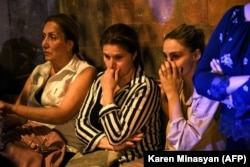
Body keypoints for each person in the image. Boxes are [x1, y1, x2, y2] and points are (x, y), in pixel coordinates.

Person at [0, 13, 97, 166]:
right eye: (43, 36)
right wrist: (4, 116)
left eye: (52, 37)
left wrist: (11, 107)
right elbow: (19, 115)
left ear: (69, 44)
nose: (44, 43)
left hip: (61, 144)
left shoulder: (85, 72)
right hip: (29, 136)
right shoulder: (40, 70)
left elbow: (61, 114)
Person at [75, 23, 162, 165]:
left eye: (118, 57)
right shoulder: (101, 79)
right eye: (106, 56)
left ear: (134, 55)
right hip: (101, 156)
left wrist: (108, 93)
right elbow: (80, 125)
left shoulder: (144, 87)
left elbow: (117, 136)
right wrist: (111, 145)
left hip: (134, 160)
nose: (111, 65)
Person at [159, 24, 225, 150]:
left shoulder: (210, 86)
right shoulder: (179, 82)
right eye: (165, 57)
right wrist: (166, 97)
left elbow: (183, 143)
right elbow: (176, 125)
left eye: (175, 57)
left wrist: (172, 94)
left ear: (196, 55)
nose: (168, 64)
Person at [193, 3, 250, 150]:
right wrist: (242, 83)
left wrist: (224, 85)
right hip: (237, 137)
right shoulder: (233, 16)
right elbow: (200, 79)